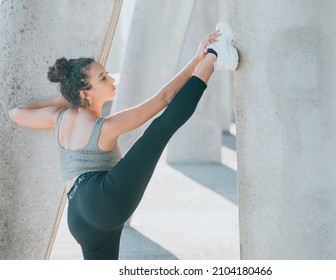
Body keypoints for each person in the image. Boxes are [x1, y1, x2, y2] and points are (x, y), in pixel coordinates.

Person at [8, 22, 238, 260]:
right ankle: (215, 56)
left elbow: (16, 112)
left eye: (106, 74)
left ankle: (214, 58)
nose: (111, 81)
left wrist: (69, 96)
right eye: (103, 78)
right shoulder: (105, 128)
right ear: (85, 93)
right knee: (159, 130)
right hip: (102, 199)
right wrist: (198, 59)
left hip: (78, 218)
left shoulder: (59, 118)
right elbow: (165, 98)